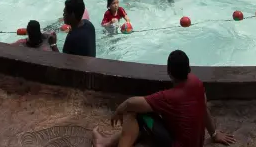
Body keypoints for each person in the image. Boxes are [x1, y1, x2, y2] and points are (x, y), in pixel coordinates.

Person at [91, 49, 235, 147]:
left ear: (168, 72)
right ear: (189, 69)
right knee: (141, 122)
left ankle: (105, 144)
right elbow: (203, 109)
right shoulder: (197, 82)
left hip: (174, 144)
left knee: (132, 112)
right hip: (197, 143)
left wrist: (119, 110)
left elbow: (130, 103)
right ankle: (106, 142)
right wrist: (214, 134)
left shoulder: (168, 97)